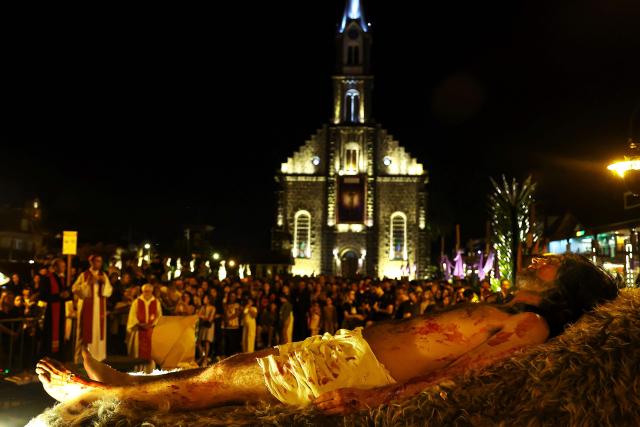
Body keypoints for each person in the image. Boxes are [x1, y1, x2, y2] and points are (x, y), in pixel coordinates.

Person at [36, 255, 618, 416]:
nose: (537, 260)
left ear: (561, 288)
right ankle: (129, 382)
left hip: (359, 370)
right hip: (347, 352)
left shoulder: (529, 324)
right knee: (231, 365)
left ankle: (101, 398)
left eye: (547, 266)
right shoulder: (507, 308)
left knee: (219, 381)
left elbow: (458, 374)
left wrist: (373, 399)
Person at [72, 255, 113, 362]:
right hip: (86, 309)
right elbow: (75, 289)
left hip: (99, 309)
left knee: (98, 333)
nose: (99, 263)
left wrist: (104, 282)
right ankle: (82, 358)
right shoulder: (84, 275)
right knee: (84, 332)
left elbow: (109, 291)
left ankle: (98, 357)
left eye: (100, 261)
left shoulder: (103, 275)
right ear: (91, 262)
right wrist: (87, 283)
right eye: (97, 261)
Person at [40, 259, 71, 359]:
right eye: (62, 266)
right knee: (50, 333)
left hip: (60, 310)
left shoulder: (63, 279)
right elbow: (43, 296)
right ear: (55, 267)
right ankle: (49, 355)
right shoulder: (47, 279)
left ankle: (59, 355)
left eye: (64, 266)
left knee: (60, 331)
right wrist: (59, 296)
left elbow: (66, 293)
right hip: (51, 312)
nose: (64, 268)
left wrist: (67, 295)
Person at [126, 284, 162, 365]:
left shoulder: (156, 302)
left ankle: (150, 371)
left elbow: (159, 316)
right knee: (138, 352)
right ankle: (138, 371)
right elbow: (132, 316)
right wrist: (139, 324)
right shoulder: (136, 302)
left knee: (151, 353)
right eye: (145, 291)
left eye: (149, 291)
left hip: (151, 331)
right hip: (139, 330)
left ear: (152, 292)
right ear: (142, 291)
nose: (147, 293)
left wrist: (152, 324)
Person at [197, 294, 216, 365]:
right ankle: (203, 356)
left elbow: (210, 319)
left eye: (205, 298)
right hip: (203, 325)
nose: (204, 299)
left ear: (209, 300)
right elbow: (198, 315)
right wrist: (203, 317)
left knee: (207, 342)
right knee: (198, 342)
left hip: (209, 326)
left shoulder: (212, 308)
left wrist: (202, 317)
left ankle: (205, 359)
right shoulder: (202, 307)